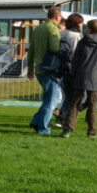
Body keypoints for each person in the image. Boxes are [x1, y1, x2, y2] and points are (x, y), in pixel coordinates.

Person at [62, 19, 97, 138]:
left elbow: (75, 61)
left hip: (80, 76)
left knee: (74, 104)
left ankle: (68, 129)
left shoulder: (82, 42)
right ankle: (92, 132)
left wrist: (73, 76)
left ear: (88, 29)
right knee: (93, 105)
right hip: (94, 78)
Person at [27, 7, 63, 135]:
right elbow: (54, 47)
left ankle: (36, 121)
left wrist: (30, 69)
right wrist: (64, 49)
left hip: (38, 68)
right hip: (50, 69)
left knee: (48, 98)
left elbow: (30, 51)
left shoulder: (38, 28)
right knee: (51, 101)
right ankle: (43, 128)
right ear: (58, 17)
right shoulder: (53, 29)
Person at [55, 13, 83, 128]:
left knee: (67, 96)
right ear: (77, 23)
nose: (82, 25)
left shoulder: (61, 34)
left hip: (60, 68)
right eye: (81, 22)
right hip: (72, 69)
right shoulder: (76, 36)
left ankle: (62, 116)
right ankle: (63, 117)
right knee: (74, 97)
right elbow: (77, 53)